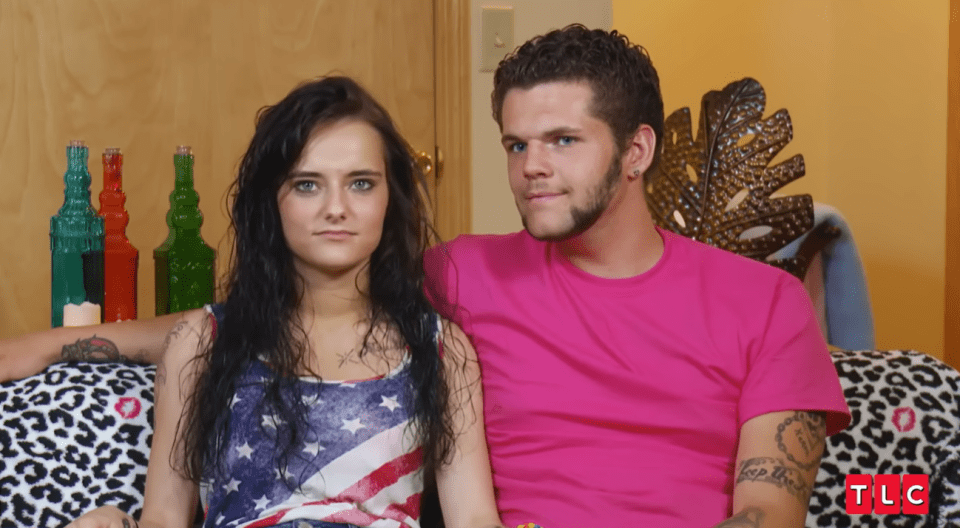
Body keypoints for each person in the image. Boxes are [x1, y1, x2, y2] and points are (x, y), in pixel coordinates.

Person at [1, 26, 849, 528]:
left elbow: (768, 511)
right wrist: (57, 344)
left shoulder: (762, 302)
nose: (531, 170)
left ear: (636, 151)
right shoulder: (462, 276)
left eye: (562, 141)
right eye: (516, 145)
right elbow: (277, 311)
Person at [58, 76, 504, 528]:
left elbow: (474, 518)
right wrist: (114, 521)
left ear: (391, 197)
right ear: (271, 200)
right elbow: (164, 518)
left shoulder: (442, 351)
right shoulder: (200, 343)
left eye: (361, 184)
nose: (336, 208)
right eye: (308, 185)